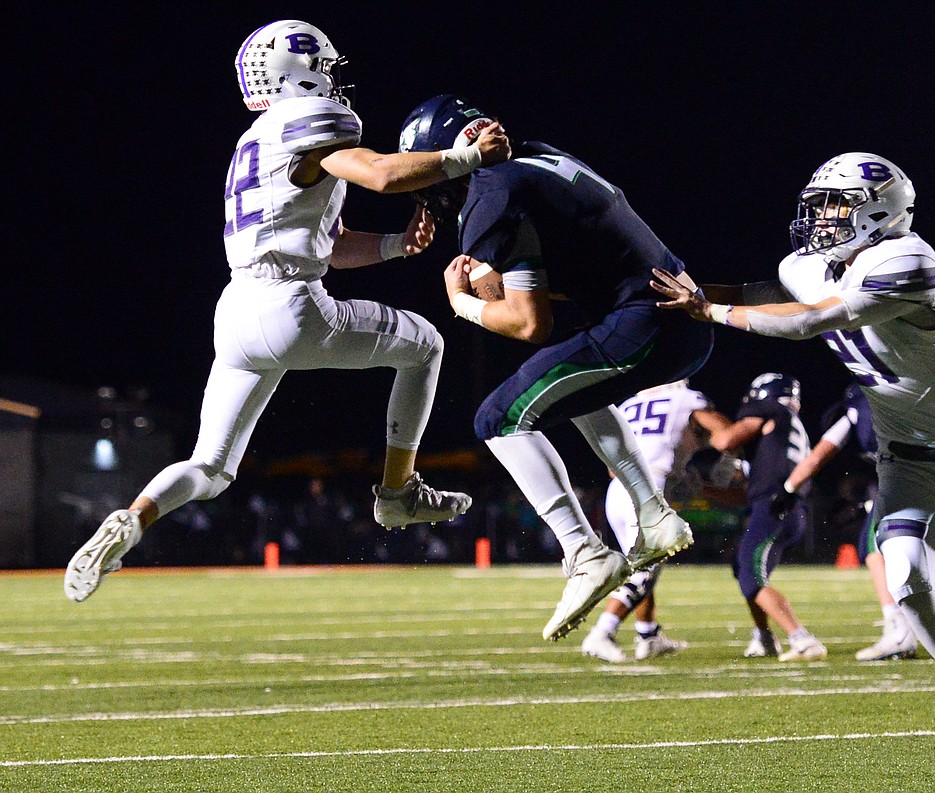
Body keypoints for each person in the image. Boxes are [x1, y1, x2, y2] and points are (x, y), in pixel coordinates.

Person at [651, 152, 935, 775]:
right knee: (908, 583)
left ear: (882, 209)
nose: (823, 219)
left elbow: (814, 319)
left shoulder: (910, 261)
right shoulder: (816, 262)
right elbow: (770, 295)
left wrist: (711, 312)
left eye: (837, 205)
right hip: (904, 459)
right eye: (820, 205)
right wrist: (689, 294)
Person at [63, 21, 511, 603]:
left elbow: (327, 244)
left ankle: (132, 519)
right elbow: (379, 173)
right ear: (296, 72)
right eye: (325, 67)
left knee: (211, 467)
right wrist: (466, 156)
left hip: (237, 314)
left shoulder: (254, 141)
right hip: (292, 306)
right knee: (427, 342)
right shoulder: (317, 123)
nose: (333, 79)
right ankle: (398, 492)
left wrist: (396, 246)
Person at [398, 95, 715, 642]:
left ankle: (584, 551)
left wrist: (463, 301)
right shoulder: (541, 159)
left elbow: (526, 323)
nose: (432, 190)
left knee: (496, 420)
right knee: (571, 380)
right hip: (678, 318)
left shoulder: (491, 190)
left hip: (642, 324)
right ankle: (655, 516)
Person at [581, 380, 732, 663]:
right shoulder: (686, 399)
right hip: (649, 488)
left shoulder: (628, 406)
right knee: (645, 570)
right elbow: (725, 436)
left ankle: (648, 635)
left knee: (644, 564)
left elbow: (612, 467)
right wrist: (736, 447)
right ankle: (602, 632)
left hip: (618, 490)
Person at [782, 384, 918, 661]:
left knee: (871, 545)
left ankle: (898, 629)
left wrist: (788, 489)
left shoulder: (858, 407)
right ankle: (913, 626)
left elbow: (818, 456)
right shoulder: (911, 398)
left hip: (907, 479)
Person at [705, 373, 827, 661]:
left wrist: (703, 419)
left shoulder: (770, 410)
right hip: (782, 506)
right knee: (743, 567)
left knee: (751, 574)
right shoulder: (788, 424)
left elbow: (725, 439)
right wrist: (705, 491)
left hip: (774, 508)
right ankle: (764, 637)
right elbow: (749, 492)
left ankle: (801, 639)